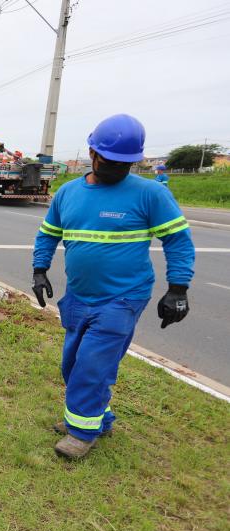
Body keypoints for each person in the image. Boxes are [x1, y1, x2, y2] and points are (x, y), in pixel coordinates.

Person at [31, 114, 195, 459]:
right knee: (73, 364)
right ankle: (96, 418)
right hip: (78, 296)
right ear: (92, 152)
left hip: (123, 298)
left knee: (92, 364)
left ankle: (80, 432)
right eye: (110, 161)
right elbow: (48, 233)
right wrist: (39, 269)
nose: (118, 169)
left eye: (126, 164)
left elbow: (178, 241)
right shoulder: (67, 193)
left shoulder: (150, 194)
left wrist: (177, 289)